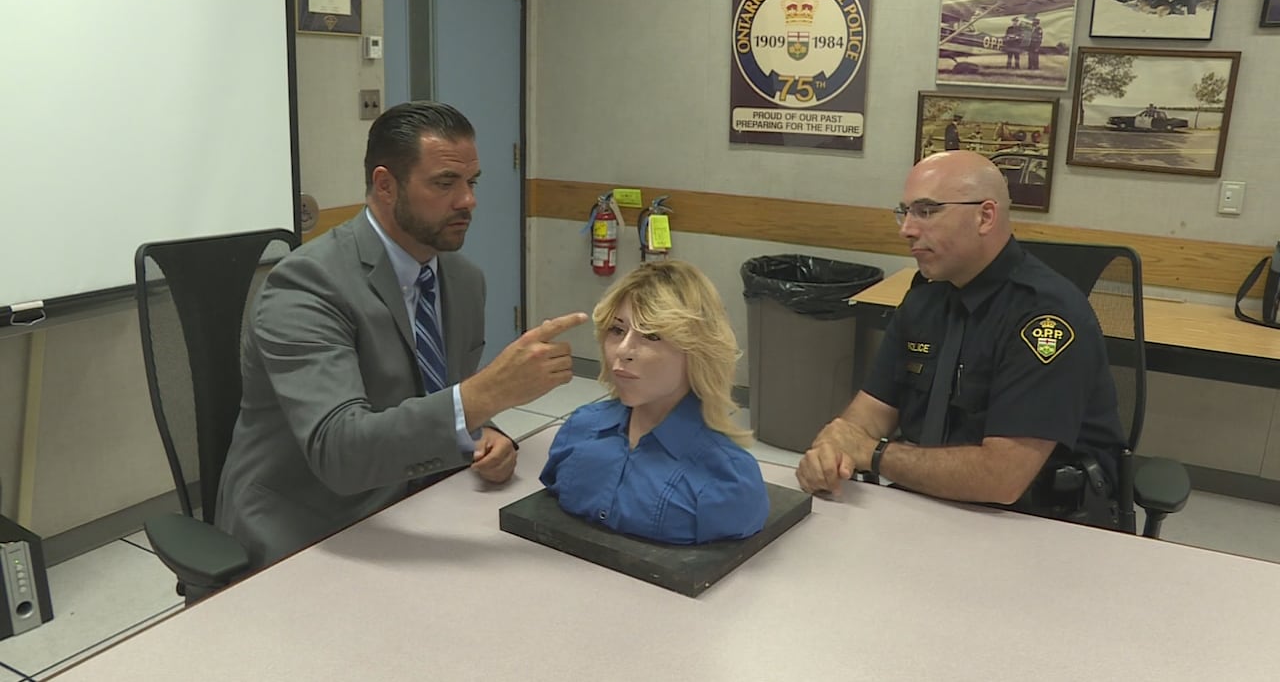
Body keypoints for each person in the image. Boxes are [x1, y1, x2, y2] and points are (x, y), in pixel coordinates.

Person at [216, 101, 588, 568]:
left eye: (471, 183)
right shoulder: (306, 287)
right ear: (385, 186)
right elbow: (340, 451)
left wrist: (482, 430)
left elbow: (433, 395)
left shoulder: (462, 279)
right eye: (444, 183)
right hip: (312, 525)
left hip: (418, 505)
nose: (467, 201)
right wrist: (483, 396)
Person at [796, 151, 1127, 527]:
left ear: (985, 216)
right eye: (904, 212)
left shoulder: (1045, 315)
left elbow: (1002, 478)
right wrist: (831, 451)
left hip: (1034, 522)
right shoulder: (927, 296)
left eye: (926, 211)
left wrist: (872, 454)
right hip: (930, 504)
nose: (906, 229)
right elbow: (870, 412)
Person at [539, 261, 770, 545]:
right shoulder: (578, 431)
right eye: (617, 330)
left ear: (696, 351)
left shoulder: (728, 480)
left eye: (651, 336)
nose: (623, 351)